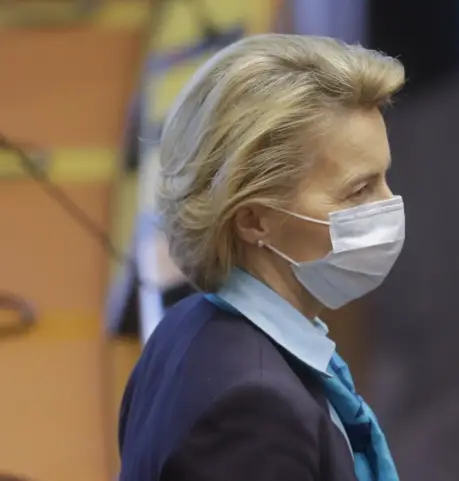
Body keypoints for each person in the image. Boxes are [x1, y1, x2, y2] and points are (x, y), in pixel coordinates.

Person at [118, 33, 405, 481]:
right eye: (359, 190)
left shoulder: (186, 324)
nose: (389, 205)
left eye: (384, 179)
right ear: (253, 220)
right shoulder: (256, 408)